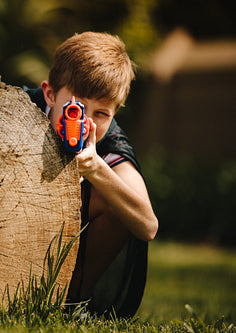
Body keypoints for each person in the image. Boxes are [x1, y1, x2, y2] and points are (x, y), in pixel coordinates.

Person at [25, 31, 158, 317]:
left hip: (60, 244)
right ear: (49, 93)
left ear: (115, 113)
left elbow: (147, 225)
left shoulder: (110, 141)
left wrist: (97, 168)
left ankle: (69, 303)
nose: (85, 121)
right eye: (77, 107)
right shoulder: (19, 109)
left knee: (115, 200)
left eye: (101, 113)